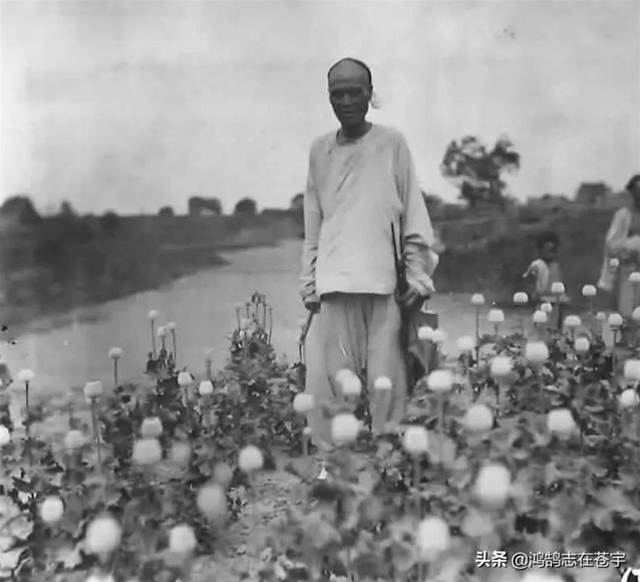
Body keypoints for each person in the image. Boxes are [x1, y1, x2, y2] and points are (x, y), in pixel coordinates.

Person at [300, 57, 439, 450]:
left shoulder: (391, 143)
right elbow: (314, 222)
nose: (346, 100)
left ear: (369, 93)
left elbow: (412, 210)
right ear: (328, 97)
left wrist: (417, 276)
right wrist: (309, 281)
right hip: (333, 283)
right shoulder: (318, 152)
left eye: (354, 91)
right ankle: (331, 463)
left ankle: (388, 460)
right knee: (328, 383)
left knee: (387, 383)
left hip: (382, 283)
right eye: (337, 93)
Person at [597, 174, 640, 317]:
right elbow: (611, 244)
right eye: (637, 190)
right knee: (627, 311)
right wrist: (628, 249)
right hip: (628, 270)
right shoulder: (622, 216)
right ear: (631, 193)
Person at [523, 230, 566, 305]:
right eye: (549, 250)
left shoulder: (558, 266)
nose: (551, 254)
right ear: (541, 250)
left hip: (559, 300)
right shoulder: (536, 266)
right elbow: (531, 290)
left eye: (553, 250)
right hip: (542, 301)